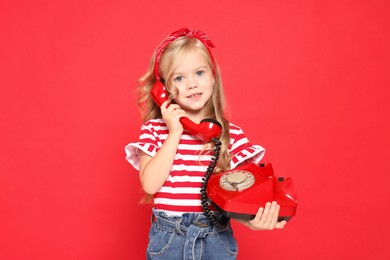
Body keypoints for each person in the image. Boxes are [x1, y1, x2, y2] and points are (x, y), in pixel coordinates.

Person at [125, 28, 286, 260]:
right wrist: (174, 133)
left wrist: (254, 222)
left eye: (199, 73)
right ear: (164, 89)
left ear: (213, 76)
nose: (191, 84)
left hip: (216, 240)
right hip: (170, 240)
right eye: (179, 78)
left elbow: (237, 199)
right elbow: (150, 185)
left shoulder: (232, 136)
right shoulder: (156, 132)